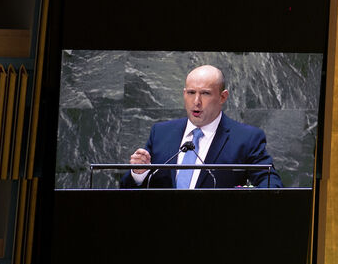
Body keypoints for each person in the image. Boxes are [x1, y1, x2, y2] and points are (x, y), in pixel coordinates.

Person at [121, 65, 282, 189]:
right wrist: (138, 173)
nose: (196, 101)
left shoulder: (246, 139)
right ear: (184, 93)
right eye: (191, 93)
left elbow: (271, 184)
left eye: (205, 93)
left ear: (222, 97)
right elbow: (127, 187)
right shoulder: (161, 133)